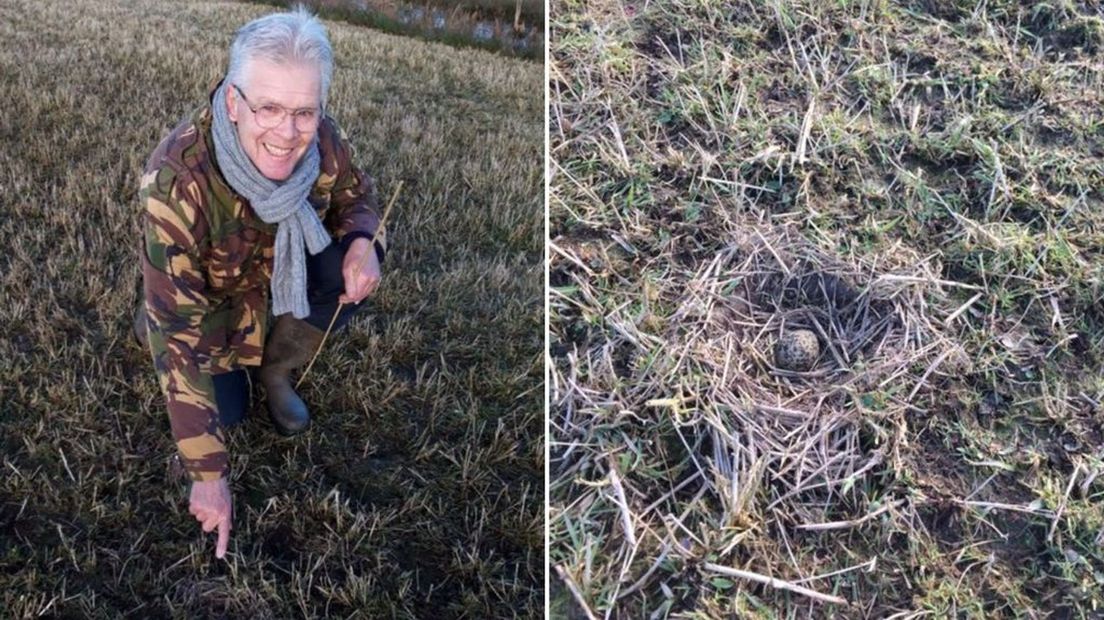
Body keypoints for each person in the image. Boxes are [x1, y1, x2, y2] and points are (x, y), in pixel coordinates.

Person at [135, 7, 387, 560]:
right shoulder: (175, 183)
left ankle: (276, 373)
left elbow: (356, 196)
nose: (287, 131)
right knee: (223, 413)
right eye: (268, 107)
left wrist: (365, 244)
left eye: (303, 111)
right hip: (213, 307)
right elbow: (179, 336)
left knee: (337, 260)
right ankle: (154, 312)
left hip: (275, 282)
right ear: (232, 102)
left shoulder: (321, 139)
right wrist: (207, 474)